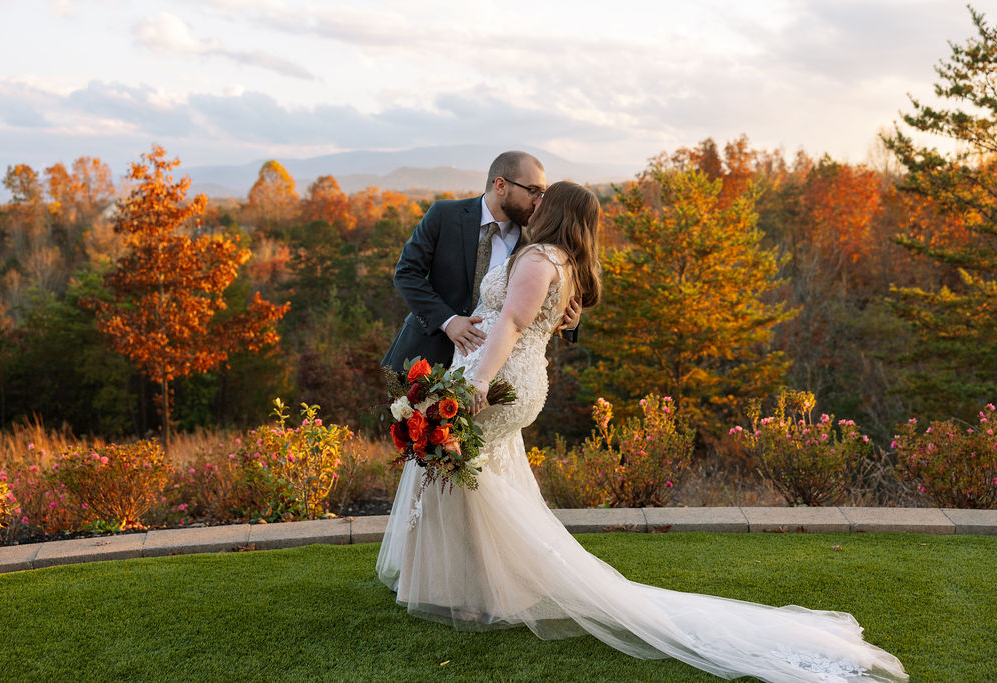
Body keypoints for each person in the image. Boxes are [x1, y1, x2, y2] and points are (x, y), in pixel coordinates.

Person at [376, 182, 908, 682]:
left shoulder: (539, 258)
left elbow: (513, 323)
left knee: (466, 473)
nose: (534, 204)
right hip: (518, 376)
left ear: (555, 212)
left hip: (500, 377)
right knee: (478, 474)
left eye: (544, 199)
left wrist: (480, 383)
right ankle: (478, 585)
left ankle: (480, 592)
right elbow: (544, 319)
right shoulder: (567, 264)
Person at [381, 150, 581, 374]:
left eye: (542, 193)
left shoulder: (534, 246)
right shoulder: (443, 214)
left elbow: (529, 311)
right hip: (421, 360)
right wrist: (449, 321)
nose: (538, 201)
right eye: (532, 191)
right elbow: (407, 273)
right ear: (501, 185)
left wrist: (569, 322)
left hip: (486, 373)